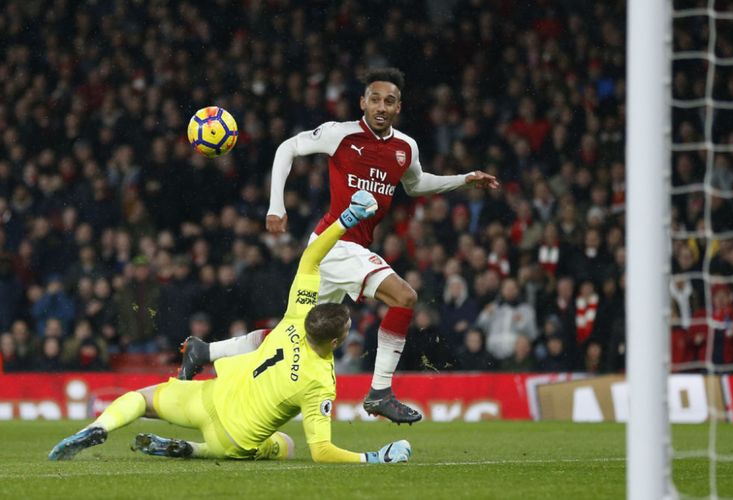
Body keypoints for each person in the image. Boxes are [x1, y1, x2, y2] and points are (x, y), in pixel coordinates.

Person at [179, 67, 499, 424]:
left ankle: (205, 349)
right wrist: (275, 206)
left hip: (340, 250)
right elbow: (288, 148)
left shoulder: (406, 148)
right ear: (362, 102)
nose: (381, 106)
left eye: (389, 101)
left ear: (398, 107)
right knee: (405, 297)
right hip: (335, 244)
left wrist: (464, 180)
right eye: (374, 99)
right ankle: (380, 392)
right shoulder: (340, 135)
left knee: (293, 332)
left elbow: (418, 183)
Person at [49, 191, 411, 465]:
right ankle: (195, 450)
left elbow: (311, 256)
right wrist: (373, 457)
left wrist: (346, 218)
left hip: (209, 397)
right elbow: (321, 451)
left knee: (141, 398)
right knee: (285, 445)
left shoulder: (296, 317)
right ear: (335, 340)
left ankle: (98, 428)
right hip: (231, 438)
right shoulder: (321, 382)